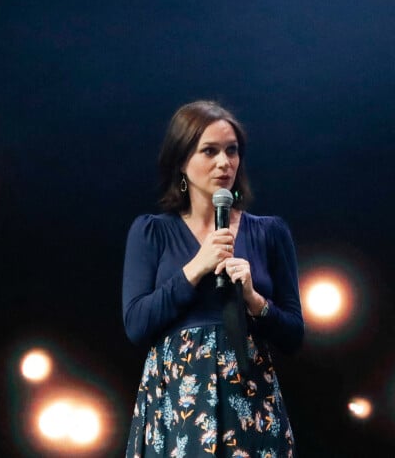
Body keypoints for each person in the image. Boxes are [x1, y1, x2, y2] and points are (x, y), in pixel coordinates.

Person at [122, 100, 304, 457]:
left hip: (250, 401)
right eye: (210, 151)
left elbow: (294, 335)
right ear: (181, 161)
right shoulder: (152, 232)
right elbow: (136, 324)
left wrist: (254, 301)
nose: (224, 163)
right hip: (179, 400)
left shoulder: (269, 233)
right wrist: (196, 267)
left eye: (232, 151)